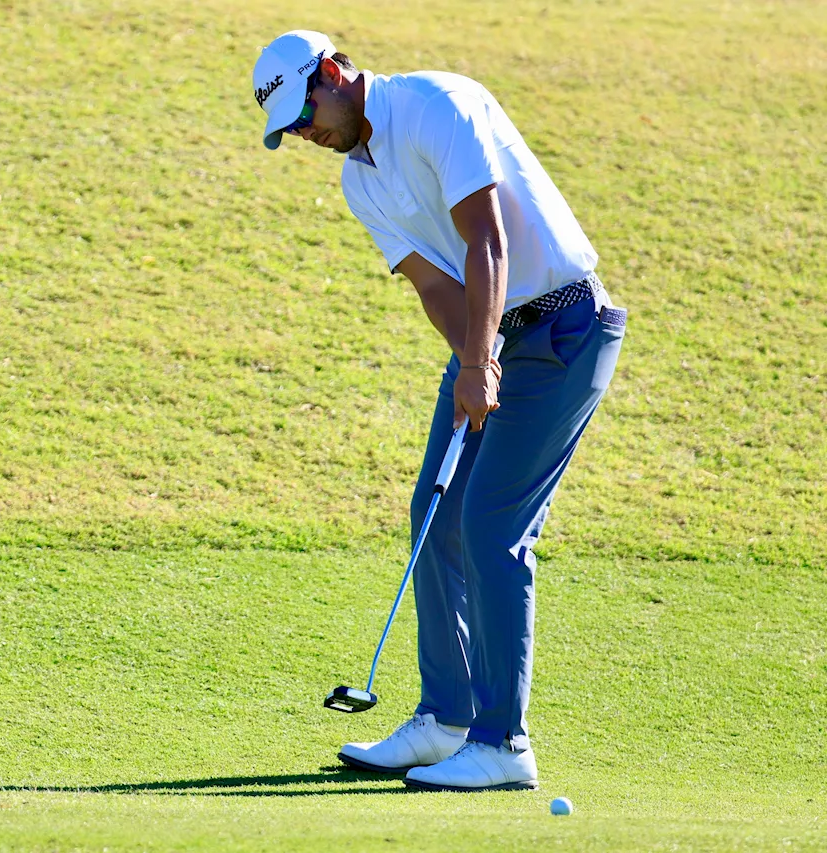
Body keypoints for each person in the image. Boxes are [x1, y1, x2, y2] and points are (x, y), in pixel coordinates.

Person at [251, 30, 626, 792]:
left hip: (564, 328)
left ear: (334, 72)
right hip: (495, 334)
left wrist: (481, 362)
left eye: (305, 112)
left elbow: (487, 243)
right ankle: (446, 719)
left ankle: (504, 742)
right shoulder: (360, 182)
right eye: (290, 128)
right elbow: (436, 287)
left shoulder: (437, 104)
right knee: (437, 507)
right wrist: (472, 360)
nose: (306, 133)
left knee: (492, 525)